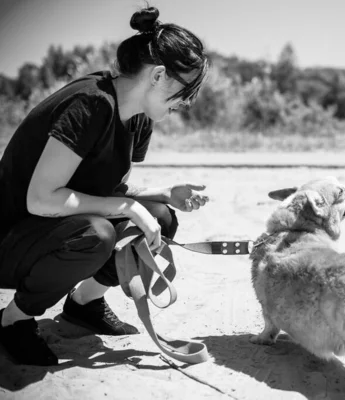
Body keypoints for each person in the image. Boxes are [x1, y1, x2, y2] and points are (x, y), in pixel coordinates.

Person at [0, 6, 210, 366]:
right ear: (159, 75)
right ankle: (13, 320)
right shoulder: (90, 102)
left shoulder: (140, 117)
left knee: (160, 217)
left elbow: (110, 194)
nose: (186, 103)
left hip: (54, 227)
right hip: (12, 239)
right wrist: (128, 207)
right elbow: (40, 199)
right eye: (185, 92)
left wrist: (162, 195)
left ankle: (84, 303)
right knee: (98, 234)